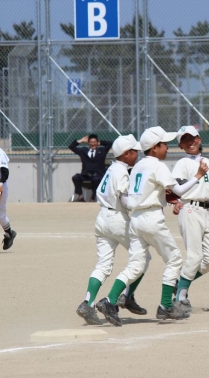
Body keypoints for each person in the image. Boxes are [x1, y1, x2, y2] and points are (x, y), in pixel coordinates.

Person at [95, 126, 209, 326]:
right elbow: (180, 190)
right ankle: (166, 305)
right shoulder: (158, 165)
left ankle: (110, 300)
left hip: (136, 219)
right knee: (174, 259)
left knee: (136, 264)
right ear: (155, 148)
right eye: (164, 144)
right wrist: (198, 175)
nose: (167, 148)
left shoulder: (138, 166)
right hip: (151, 218)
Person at [76, 134, 142, 325]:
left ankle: (88, 303)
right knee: (142, 258)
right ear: (126, 153)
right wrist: (140, 204)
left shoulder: (111, 168)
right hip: (118, 219)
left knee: (103, 264)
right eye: (134, 151)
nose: (137, 154)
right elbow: (123, 198)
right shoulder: (121, 171)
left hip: (102, 218)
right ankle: (120, 298)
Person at [170, 125, 209, 316]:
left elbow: (207, 190)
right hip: (190, 209)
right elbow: (175, 188)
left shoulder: (206, 160)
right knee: (194, 256)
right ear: (181, 145)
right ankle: (180, 298)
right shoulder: (182, 163)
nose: (190, 142)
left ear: (199, 139)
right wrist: (175, 202)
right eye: (185, 140)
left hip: (206, 212)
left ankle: (181, 282)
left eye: (192, 138)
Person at [69, 134, 113, 202]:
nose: (93, 144)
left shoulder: (102, 151)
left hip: (98, 174)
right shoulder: (84, 151)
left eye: (94, 142)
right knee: (76, 177)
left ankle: (93, 197)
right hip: (86, 175)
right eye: (91, 142)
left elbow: (110, 144)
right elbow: (71, 147)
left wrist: (100, 143)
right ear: (88, 143)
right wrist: (81, 141)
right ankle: (80, 195)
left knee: (96, 179)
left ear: (97, 142)